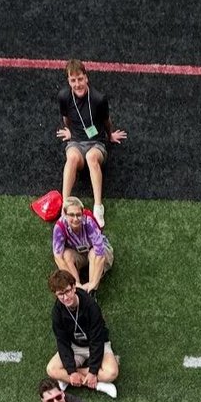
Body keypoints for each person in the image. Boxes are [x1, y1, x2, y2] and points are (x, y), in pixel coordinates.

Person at [55, 59, 126, 225]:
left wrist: (110, 135)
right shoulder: (64, 96)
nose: (77, 84)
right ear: (68, 81)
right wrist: (70, 131)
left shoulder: (98, 99)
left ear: (86, 77)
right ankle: (65, 207)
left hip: (96, 143)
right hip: (77, 141)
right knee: (72, 158)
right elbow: (66, 118)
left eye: (80, 79)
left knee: (91, 157)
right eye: (73, 80)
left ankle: (98, 206)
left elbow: (106, 120)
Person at [46, 268, 119, 398]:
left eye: (67, 291)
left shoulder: (91, 306)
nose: (65, 297)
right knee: (51, 369)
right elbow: (62, 342)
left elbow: (97, 339)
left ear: (74, 287)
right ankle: (98, 385)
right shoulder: (57, 311)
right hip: (75, 346)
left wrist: (93, 371)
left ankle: (68, 378)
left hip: (97, 344)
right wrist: (71, 371)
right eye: (60, 294)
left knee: (112, 372)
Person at [52, 196, 114, 292]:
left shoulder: (89, 221)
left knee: (94, 253)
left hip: (97, 252)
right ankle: (76, 287)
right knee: (65, 255)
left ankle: (92, 292)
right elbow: (58, 258)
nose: (76, 219)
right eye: (71, 215)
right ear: (65, 214)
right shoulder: (59, 227)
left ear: (82, 213)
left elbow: (100, 255)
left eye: (78, 215)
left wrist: (93, 283)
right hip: (78, 253)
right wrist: (76, 285)